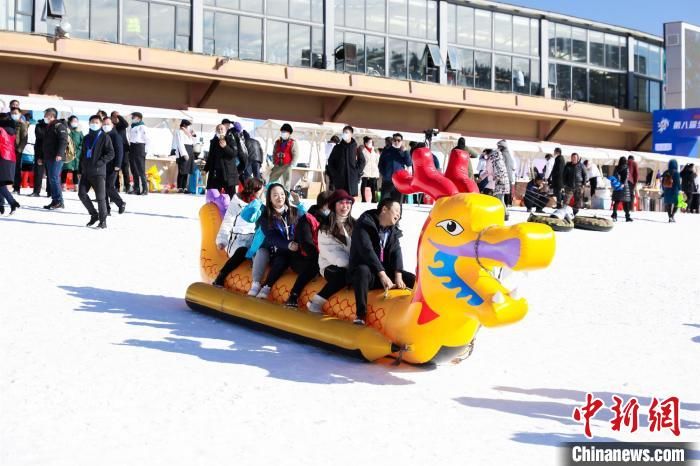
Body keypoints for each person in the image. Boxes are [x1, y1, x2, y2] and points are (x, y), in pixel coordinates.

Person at [349, 198, 415, 325]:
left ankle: (416, 313)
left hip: (384, 273)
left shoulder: (392, 230)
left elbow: (396, 251)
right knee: (362, 270)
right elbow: (367, 251)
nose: (398, 215)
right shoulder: (364, 224)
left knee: (412, 279)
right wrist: (382, 274)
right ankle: (360, 314)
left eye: (400, 212)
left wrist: (398, 275)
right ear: (384, 209)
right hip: (368, 275)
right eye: (396, 211)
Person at [306, 190, 356, 314]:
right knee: (342, 276)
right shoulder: (326, 227)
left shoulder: (355, 224)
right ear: (334, 205)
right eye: (341, 203)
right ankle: (316, 301)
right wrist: (352, 266)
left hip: (352, 264)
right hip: (330, 265)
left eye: (348, 202)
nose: (345, 206)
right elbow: (333, 254)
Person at [248, 183, 300, 299]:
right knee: (262, 251)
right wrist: (288, 244)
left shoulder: (293, 212)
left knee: (282, 259)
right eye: (275, 195)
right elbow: (271, 236)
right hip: (271, 250)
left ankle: (267, 286)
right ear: (270, 199)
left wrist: (299, 203)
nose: (280, 197)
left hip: (286, 252)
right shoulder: (266, 215)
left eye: (282, 194)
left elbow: (308, 221)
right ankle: (256, 283)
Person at [213, 177, 266, 287]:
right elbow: (228, 221)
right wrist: (222, 240)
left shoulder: (261, 204)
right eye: (261, 192)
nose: (262, 194)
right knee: (242, 251)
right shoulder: (238, 203)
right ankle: (221, 276)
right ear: (254, 191)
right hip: (237, 240)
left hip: (253, 239)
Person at [284, 190, 333, 307]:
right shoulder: (307, 220)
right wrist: (322, 259)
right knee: (313, 265)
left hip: (323, 256)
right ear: (326, 205)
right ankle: (294, 294)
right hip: (302, 258)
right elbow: (307, 245)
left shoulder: (331, 219)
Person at [78, 115, 115, 228]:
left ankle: (103, 221)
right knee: (82, 194)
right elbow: (83, 155)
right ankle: (94, 215)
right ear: (89, 123)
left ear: (100, 124)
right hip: (86, 172)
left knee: (100, 197)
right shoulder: (86, 137)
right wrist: (80, 169)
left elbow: (111, 153)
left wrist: (100, 162)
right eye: (92, 122)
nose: (94, 123)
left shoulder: (105, 137)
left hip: (99, 172)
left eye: (96, 122)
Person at [42, 108, 69, 210]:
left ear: (51, 115)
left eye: (46, 114)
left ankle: (58, 201)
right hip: (49, 156)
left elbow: (63, 140)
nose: (44, 116)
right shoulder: (49, 126)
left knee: (54, 178)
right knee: (52, 179)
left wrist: (60, 154)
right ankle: (56, 200)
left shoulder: (59, 125)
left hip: (56, 157)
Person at [327, 125, 364, 198]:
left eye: (346, 132)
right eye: (343, 132)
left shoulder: (356, 147)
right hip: (340, 179)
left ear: (351, 134)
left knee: (350, 200)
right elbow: (330, 161)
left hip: (352, 179)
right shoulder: (337, 147)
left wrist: (357, 171)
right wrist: (334, 173)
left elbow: (362, 161)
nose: (344, 134)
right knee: (339, 198)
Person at [204, 124, 239, 198]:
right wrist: (205, 169)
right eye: (218, 129)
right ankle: (216, 208)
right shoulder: (213, 141)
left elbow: (234, 153)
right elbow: (210, 157)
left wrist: (226, 147)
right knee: (214, 194)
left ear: (225, 130)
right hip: (216, 172)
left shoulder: (230, 140)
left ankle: (231, 209)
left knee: (231, 195)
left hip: (228, 172)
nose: (220, 131)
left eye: (222, 129)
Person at [102, 116, 126, 215]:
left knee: (109, 187)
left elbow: (120, 151)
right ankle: (106, 209)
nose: (106, 126)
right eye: (104, 124)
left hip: (112, 166)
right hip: (103, 165)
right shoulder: (102, 135)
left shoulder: (115, 136)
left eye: (108, 124)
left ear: (112, 125)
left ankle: (120, 203)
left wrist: (117, 165)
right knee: (102, 187)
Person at [378, 133, 411, 202]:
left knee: (397, 203)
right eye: (395, 140)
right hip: (387, 181)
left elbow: (409, 163)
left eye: (398, 140)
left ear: (401, 141)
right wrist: (385, 174)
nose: (396, 142)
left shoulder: (403, 152)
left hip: (399, 182)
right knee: (383, 202)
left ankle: (398, 213)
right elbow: (380, 164)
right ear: (392, 141)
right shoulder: (386, 150)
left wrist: (406, 152)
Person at [0, 112, 20, 215]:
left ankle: (12, 202)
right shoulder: (12, 131)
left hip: (2, 157)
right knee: (1, 183)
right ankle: (1, 205)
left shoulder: (1, 130)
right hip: (10, 158)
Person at [482, 148, 510, 219]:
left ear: (487, 153)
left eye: (484, 153)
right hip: (499, 181)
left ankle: (505, 214)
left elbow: (494, 171)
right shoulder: (496, 159)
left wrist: (496, 177)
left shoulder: (494, 159)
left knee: (499, 199)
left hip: (499, 182)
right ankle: (504, 214)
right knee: (500, 198)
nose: (484, 155)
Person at [269, 123, 299, 190]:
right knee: (271, 180)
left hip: (287, 165)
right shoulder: (277, 142)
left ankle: (286, 197)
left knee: (287, 183)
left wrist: (292, 164)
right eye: (282, 131)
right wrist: (274, 162)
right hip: (277, 164)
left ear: (289, 133)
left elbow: (296, 154)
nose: (283, 133)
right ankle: (269, 193)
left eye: (285, 131)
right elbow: (274, 152)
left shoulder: (292, 142)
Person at [129, 112, 149, 195]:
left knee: (141, 169)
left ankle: (145, 189)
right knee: (134, 169)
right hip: (132, 146)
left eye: (134, 117)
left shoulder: (143, 127)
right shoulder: (132, 126)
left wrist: (146, 151)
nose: (132, 118)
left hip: (140, 147)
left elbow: (148, 140)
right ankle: (136, 188)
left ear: (139, 118)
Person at [61, 115, 83, 192]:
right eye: (73, 121)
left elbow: (82, 142)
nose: (75, 123)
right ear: (70, 121)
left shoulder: (79, 131)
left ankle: (76, 186)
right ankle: (63, 185)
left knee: (76, 170)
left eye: (76, 121)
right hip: (67, 152)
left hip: (77, 154)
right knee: (65, 169)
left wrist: (79, 149)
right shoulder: (66, 130)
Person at [111, 111, 131, 193]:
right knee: (115, 169)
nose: (116, 118)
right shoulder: (111, 126)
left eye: (117, 116)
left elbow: (126, 124)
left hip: (124, 149)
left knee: (125, 169)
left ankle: (127, 186)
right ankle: (116, 187)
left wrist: (119, 116)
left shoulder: (121, 125)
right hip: (115, 150)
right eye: (115, 116)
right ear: (111, 117)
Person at [173, 119, 195, 193]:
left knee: (187, 171)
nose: (189, 127)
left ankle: (184, 187)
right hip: (183, 151)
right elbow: (180, 143)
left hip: (190, 149)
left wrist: (193, 134)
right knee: (182, 170)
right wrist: (184, 154)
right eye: (188, 126)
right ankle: (180, 187)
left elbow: (193, 141)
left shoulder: (188, 133)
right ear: (184, 125)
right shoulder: (179, 132)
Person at [29, 115, 49, 198]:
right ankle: (36, 191)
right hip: (39, 151)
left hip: (50, 153)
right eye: (46, 115)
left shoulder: (56, 125)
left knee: (50, 174)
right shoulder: (39, 125)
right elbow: (40, 136)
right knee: (38, 173)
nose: (47, 117)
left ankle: (50, 192)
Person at [10, 107, 28, 194]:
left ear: (20, 114)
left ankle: (16, 188)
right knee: (8, 168)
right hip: (8, 149)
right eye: (12, 113)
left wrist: (19, 149)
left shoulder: (22, 124)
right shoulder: (8, 123)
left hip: (17, 150)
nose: (14, 114)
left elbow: (24, 138)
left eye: (16, 113)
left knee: (17, 169)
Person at [610, 156, 632, 222]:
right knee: (625, 203)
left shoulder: (616, 168)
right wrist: (623, 184)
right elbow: (626, 177)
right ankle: (627, 217)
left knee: (616, 201)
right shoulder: (626, 167)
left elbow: (614, 176)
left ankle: (614, 215)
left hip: (617, 185)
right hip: (624, 186)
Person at [360, 136, 380, 202]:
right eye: (369, 142)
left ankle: (374, 199)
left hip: (373, 171)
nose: (370, 143)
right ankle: (363, 198)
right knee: (364, 185)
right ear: (365, 143)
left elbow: (377, 161)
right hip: (365, 170)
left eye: (371, 142)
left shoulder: (375, 151)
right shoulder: (363, 151)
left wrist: (378, 172)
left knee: (373, 186)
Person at [497, 139, 516, 206]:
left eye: (498, 146)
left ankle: (506, 205)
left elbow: (501, 165)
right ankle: (508, 203)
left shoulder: (502, 154)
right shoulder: (509, 154)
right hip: (509, 176)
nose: (498, 148)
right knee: (508, 190)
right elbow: (513, 167)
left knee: (503, 191)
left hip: (505, 176)